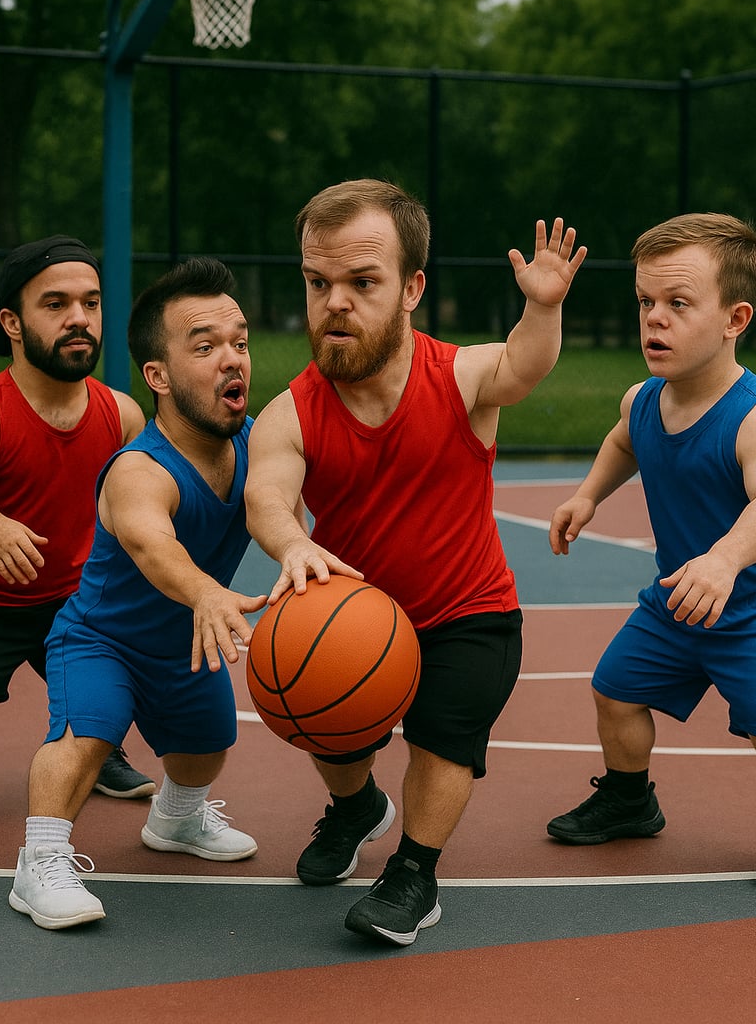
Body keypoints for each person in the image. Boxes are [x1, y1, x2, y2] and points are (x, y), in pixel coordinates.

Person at [244, 178, 586, 946]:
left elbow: (525, 365)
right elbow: (266, 495)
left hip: (468, 613)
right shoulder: (290, 412)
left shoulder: (459, 377)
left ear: (411, 288)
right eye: (318, 282)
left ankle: (413, 873)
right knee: (324, 720)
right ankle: (356, 805)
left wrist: (544, 305)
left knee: (443, 732)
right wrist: (293, 543)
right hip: (354, 619)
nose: (335, 301)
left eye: (362, 282)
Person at [9, 256, 268, 930]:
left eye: (239, 342)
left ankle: (177, 821)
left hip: (183, 639)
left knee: (209, 743)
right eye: (205, 346)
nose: (231, 359)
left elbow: (286, 506)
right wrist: (207, 593)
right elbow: (156, 548)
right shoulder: (139, 469)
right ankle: (39, 862)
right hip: (103, 640)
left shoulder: (256, 445)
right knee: (85, 739)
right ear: (157, 375)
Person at [546, 212, 756, 847]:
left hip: (746, 611)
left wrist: (723, 560)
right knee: (615, 692)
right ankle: (629, 801)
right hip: (676, 604)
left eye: (679, 303)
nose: (654, 317)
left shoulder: (747, 418)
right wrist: (588, 495)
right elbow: (624, 443)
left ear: (734, 320)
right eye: (645, 301)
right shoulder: (642, 400)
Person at [0, 235, 152, 798]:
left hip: (76, 603)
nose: (79, 318)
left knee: (125, 669)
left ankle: (100, 748)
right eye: (55, 305)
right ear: (13, 322)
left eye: (91, 302)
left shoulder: (121, 414)